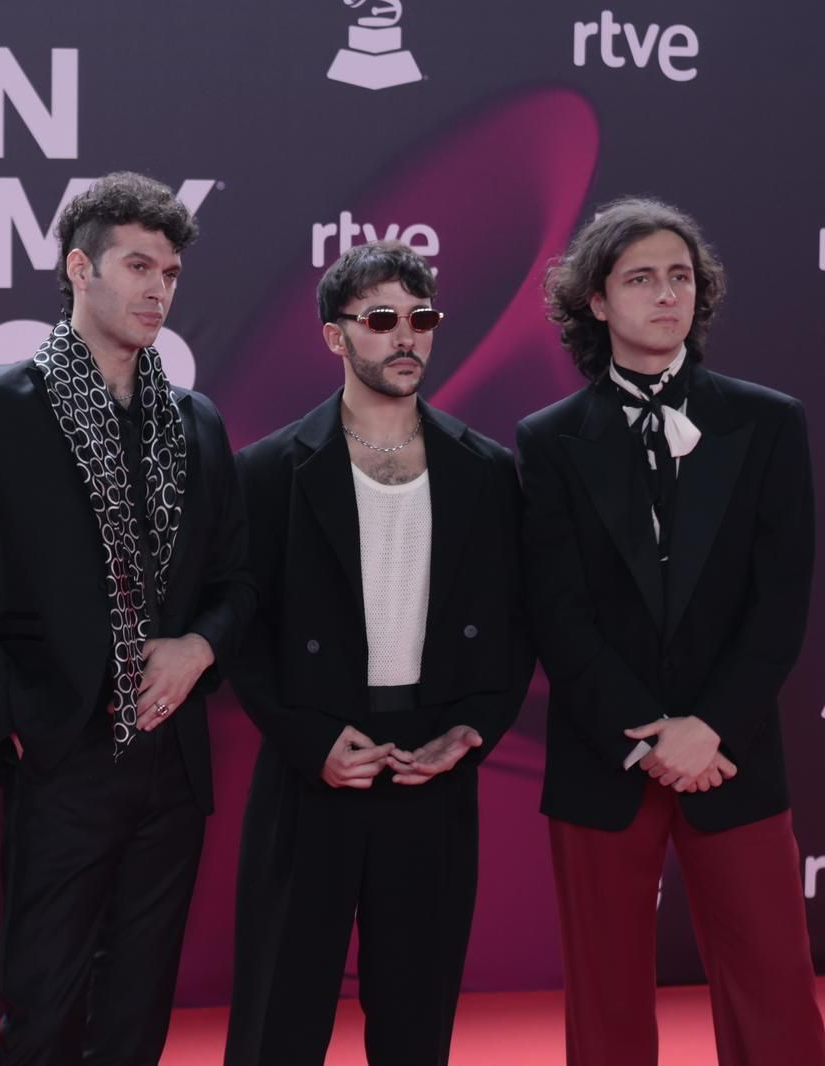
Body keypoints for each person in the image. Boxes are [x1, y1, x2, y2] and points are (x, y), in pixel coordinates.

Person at [0, 171, 254, 1065]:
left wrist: (200, 647)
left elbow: (238, 580)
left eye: (171, 272)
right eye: (137, 265)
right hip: (59, 752)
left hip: (170, 761)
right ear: (78, 267)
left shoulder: (196, 421)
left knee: (138, 1013)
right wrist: (15, 721)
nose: (158, 290)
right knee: (45, 1006)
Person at [517, 197, 825, 1065]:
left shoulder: (769, 423)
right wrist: (650, 734)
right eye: (641, 278)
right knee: (605, 998)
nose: (666, 295)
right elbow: (558, 613)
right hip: (603, 754)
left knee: (772, 983)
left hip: (732, 748)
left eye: (681, 277)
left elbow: (781, 603)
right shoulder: (547, 441)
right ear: (596, 301)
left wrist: (708, 727)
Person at [224, 241, 533, 1066]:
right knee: (278, 1015)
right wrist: (306, 741)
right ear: (335, 337)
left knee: (416, 1015)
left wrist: (472, 732)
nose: (408, 337)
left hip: (430, 765)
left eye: (422, 319)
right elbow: (242, 629)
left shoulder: (488, 470)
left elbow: (518, 621)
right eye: (382, 320)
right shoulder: (267, 471)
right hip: (312, 760)